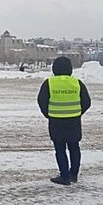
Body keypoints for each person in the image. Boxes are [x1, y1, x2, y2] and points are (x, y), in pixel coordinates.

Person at [37, 56, 91, 185]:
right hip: (74, 121)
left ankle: (64, 176)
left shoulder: (49, 83)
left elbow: (41, 101)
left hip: (56, 121)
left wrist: (49, 114)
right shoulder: (77, 83)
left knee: (60, 148)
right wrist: (77, 113)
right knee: (74, 147)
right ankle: (74, 174)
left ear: (54, 69)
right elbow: (87, 102)